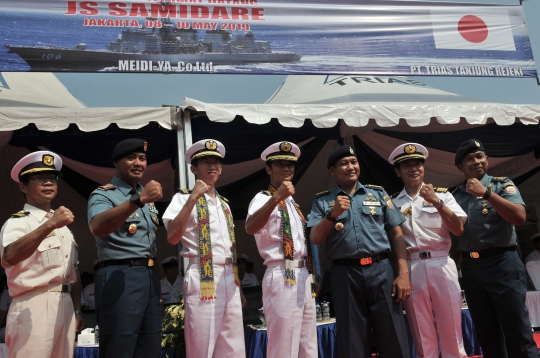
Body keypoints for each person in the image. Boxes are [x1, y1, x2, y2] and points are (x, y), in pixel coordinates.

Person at [308, 145, 410, 358]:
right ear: (332, 170)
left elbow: (397, 234)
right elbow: (315, 238)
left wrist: (403, 274)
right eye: (343, 163)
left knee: (393, 334)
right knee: (352, 339)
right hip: (345, 274)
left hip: (381, 269)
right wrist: (332, 214)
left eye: (353, 162)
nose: (350, 167)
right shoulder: (323, 200)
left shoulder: (378, 193)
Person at [452, 139, 538, 358]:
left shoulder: (501, 184)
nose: (476, 162)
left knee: (517, 329)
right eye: (469, 159)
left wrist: (486, 194)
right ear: (460, 167)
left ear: (488, 160)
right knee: (486, 332)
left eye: (480, 157)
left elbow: (519, 217)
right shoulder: (455, 195)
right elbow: (453, 236)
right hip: (472, 268)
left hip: (503, 263)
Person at [162, 139, 246, 358]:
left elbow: (229, 248)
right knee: (202, 344)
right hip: (203, 274)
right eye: (205, 162)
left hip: (230, 276)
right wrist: (192, 198)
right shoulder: (182, 198)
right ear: (193, 168)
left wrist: (239, 287)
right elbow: (172, 237)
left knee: (233, 346)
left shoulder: (224, 203)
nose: (212, 167)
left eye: (216, 162)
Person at [0, 151, 84, 357]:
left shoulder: (63, 227)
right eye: (39, 178)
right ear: (23, 186)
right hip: (33, 304)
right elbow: (9, 256)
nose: (48, 183)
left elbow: (73, 272)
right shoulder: (19, 221)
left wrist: (77, 309)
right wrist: (49, 225)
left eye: (52, 178)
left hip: (64, 305)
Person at [389, 143, 468, 358]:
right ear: (398, 171)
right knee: (421, 332)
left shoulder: (444, 195)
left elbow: (458, 229)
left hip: (441, 262)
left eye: (418, 164)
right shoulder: (393, 202)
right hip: (412, 266)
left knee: (451, 327)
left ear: (424, 168)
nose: (413, 169)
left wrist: (437, 202)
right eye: (407, 166)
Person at [88, 138, 163, 358]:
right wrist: (137, 201)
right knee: (119, 348)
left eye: (142, 158)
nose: (138, 162)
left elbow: (149, 247)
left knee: (150, 347)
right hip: (119, 275)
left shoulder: (146, 197)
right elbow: (97, 226)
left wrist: (154, 284)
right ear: (116, 162)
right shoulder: (104, 193)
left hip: (148, 277)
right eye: (131, 158)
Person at [245, 141, 317, 358]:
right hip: (280, 273)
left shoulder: (293, 203)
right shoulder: (263, 198)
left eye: (290, 164)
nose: (286, 168)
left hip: (304, 274)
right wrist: (276, 198)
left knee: (308, 345)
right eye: (280, 164)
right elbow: (250, 227)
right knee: (283, 347)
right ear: (268, 169)